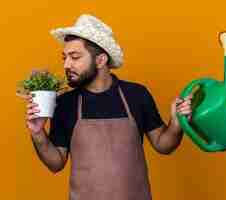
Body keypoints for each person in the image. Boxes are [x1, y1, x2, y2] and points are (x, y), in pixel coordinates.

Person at [20, 14, 193, 200]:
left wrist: (176, 124)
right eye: (65, 58)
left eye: (75, 57)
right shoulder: (65, 103)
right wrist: (38, 134)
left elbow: (163, 145)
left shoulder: (136, 95)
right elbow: (56, 163)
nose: (66, 64)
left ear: (101, 60)